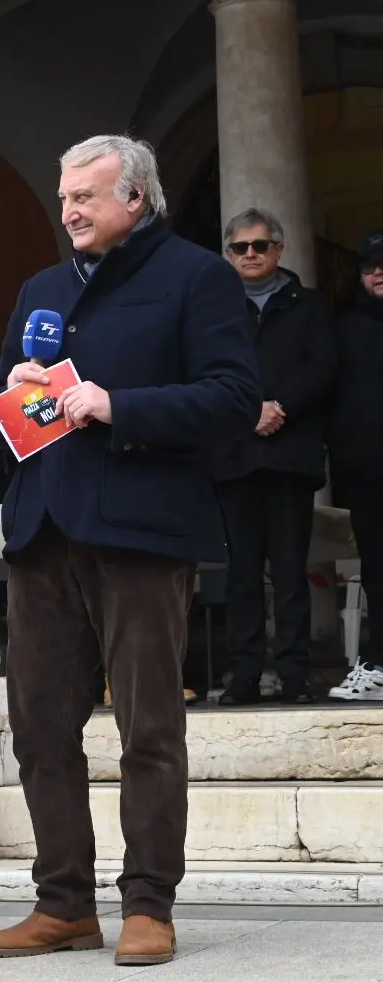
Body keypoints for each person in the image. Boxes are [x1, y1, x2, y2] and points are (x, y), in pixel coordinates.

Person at [0, 136, 258, 966]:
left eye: (86, 198)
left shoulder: (196, 277)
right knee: (38, 729)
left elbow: (233, 398)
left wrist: (116, 405)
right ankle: (62, 901)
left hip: (140, 531)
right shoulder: (43, 288)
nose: (69, 211)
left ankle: (149, 903)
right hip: (44, 532)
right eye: (65, 197)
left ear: (135, 199)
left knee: (148, 729)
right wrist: (12, 397)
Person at [211, 208, 336, 705]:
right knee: (240, 575)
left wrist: (279, 406)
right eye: (240, 248)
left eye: (259, 246)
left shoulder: (308, 306)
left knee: (290, 573)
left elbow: (324, 366)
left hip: (289, 458)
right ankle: (243, 678)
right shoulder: (215, 310)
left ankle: (294, 676)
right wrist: (248, 412)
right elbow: (205, 371)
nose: (250, 255)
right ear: (229, 255)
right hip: (235, 456)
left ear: (278, 250)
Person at [328, 230, 383, 701]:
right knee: (378, 567)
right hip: (368, 472)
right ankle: (380, 664)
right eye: (369, 266)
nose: (378, 273)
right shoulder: (343, 327)